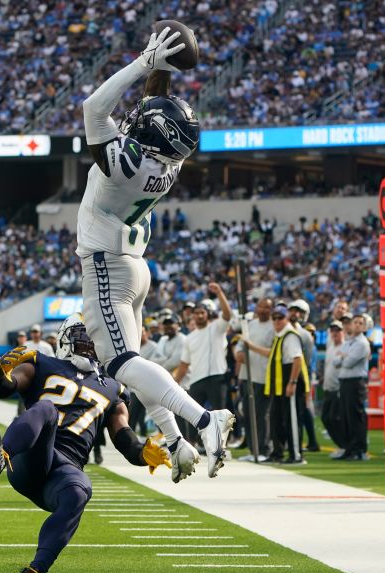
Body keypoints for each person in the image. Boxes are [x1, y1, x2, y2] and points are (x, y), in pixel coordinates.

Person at [77, 25, 233, 481]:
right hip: (134, 267)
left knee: (121, 363)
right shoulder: (169, 160)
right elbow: (152, 110)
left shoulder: (123, 166)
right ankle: (175, 441)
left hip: (107, 264)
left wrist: (144, 62)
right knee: (137, 366)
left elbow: (93, 107)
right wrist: (159, 69)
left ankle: (204, 420)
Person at [0, 313, 171, 573]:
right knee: (47, 410)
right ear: (66, 337)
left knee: (81, 489)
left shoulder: (113, 386)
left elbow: (123, 436)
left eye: (94, 336)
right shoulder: (43, 363)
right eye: (84, 333)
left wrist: (144, 452)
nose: (91, 341)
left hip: (63, 471)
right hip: (31, 455)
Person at [172, 283, 233, 449]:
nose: (199, 316)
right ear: (193, 317)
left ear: (207, 315)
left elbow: (227, 314)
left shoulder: (217, 328)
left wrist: (220, 292)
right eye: (196, 313)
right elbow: (184, 364)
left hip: (217, 376)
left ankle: (221, 448)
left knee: (220, 414)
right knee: (192, 415)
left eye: (202, 313)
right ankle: (193, 446)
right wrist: (174, 382)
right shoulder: (190, 338)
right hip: (196, 380)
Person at [263, 302, 308, 464]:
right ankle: (278, 452)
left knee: (291, 419)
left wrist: (293, 382)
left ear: (287, 318)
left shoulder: (290, 335)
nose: (276, 321)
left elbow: (297, 359)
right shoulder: (280, 336)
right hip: (279, 385)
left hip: (289, 382)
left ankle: (296, 454)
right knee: (277, 419)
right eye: (274, 318)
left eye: (280, 317)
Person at [236, 298, 275, 461]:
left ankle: (263, 449)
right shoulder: (250, 325)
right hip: (247, 375)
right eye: (260, 306)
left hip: (263, 377)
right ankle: (253, 450)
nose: (263, 310)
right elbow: (240, 345)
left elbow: (272, 352)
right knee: (247, 414)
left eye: (267, 307)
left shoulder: (274, 327)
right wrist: (239, 353)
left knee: (261, 415)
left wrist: (251, 346)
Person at [335, 314, 372, 461]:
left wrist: (343, 356)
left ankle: (359, 449)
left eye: (360, 323)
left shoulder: (362, 343)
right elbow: (335, 361)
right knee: (346, 416)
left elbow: (348, 362)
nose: (356, 325)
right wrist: (343, 356)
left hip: (356, 382)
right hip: (345, 381)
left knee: (355, 416)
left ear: (364, 327)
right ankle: (350, 448)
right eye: (355, 322)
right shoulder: (349, 342)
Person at [288, 299, 320, 452]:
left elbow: (305, 360)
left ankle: (301, 445)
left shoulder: (306, 334)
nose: (295, 314)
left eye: (299, 311)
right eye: (293, 310)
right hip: (291, 375)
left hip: (302, 376)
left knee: (302, 410)